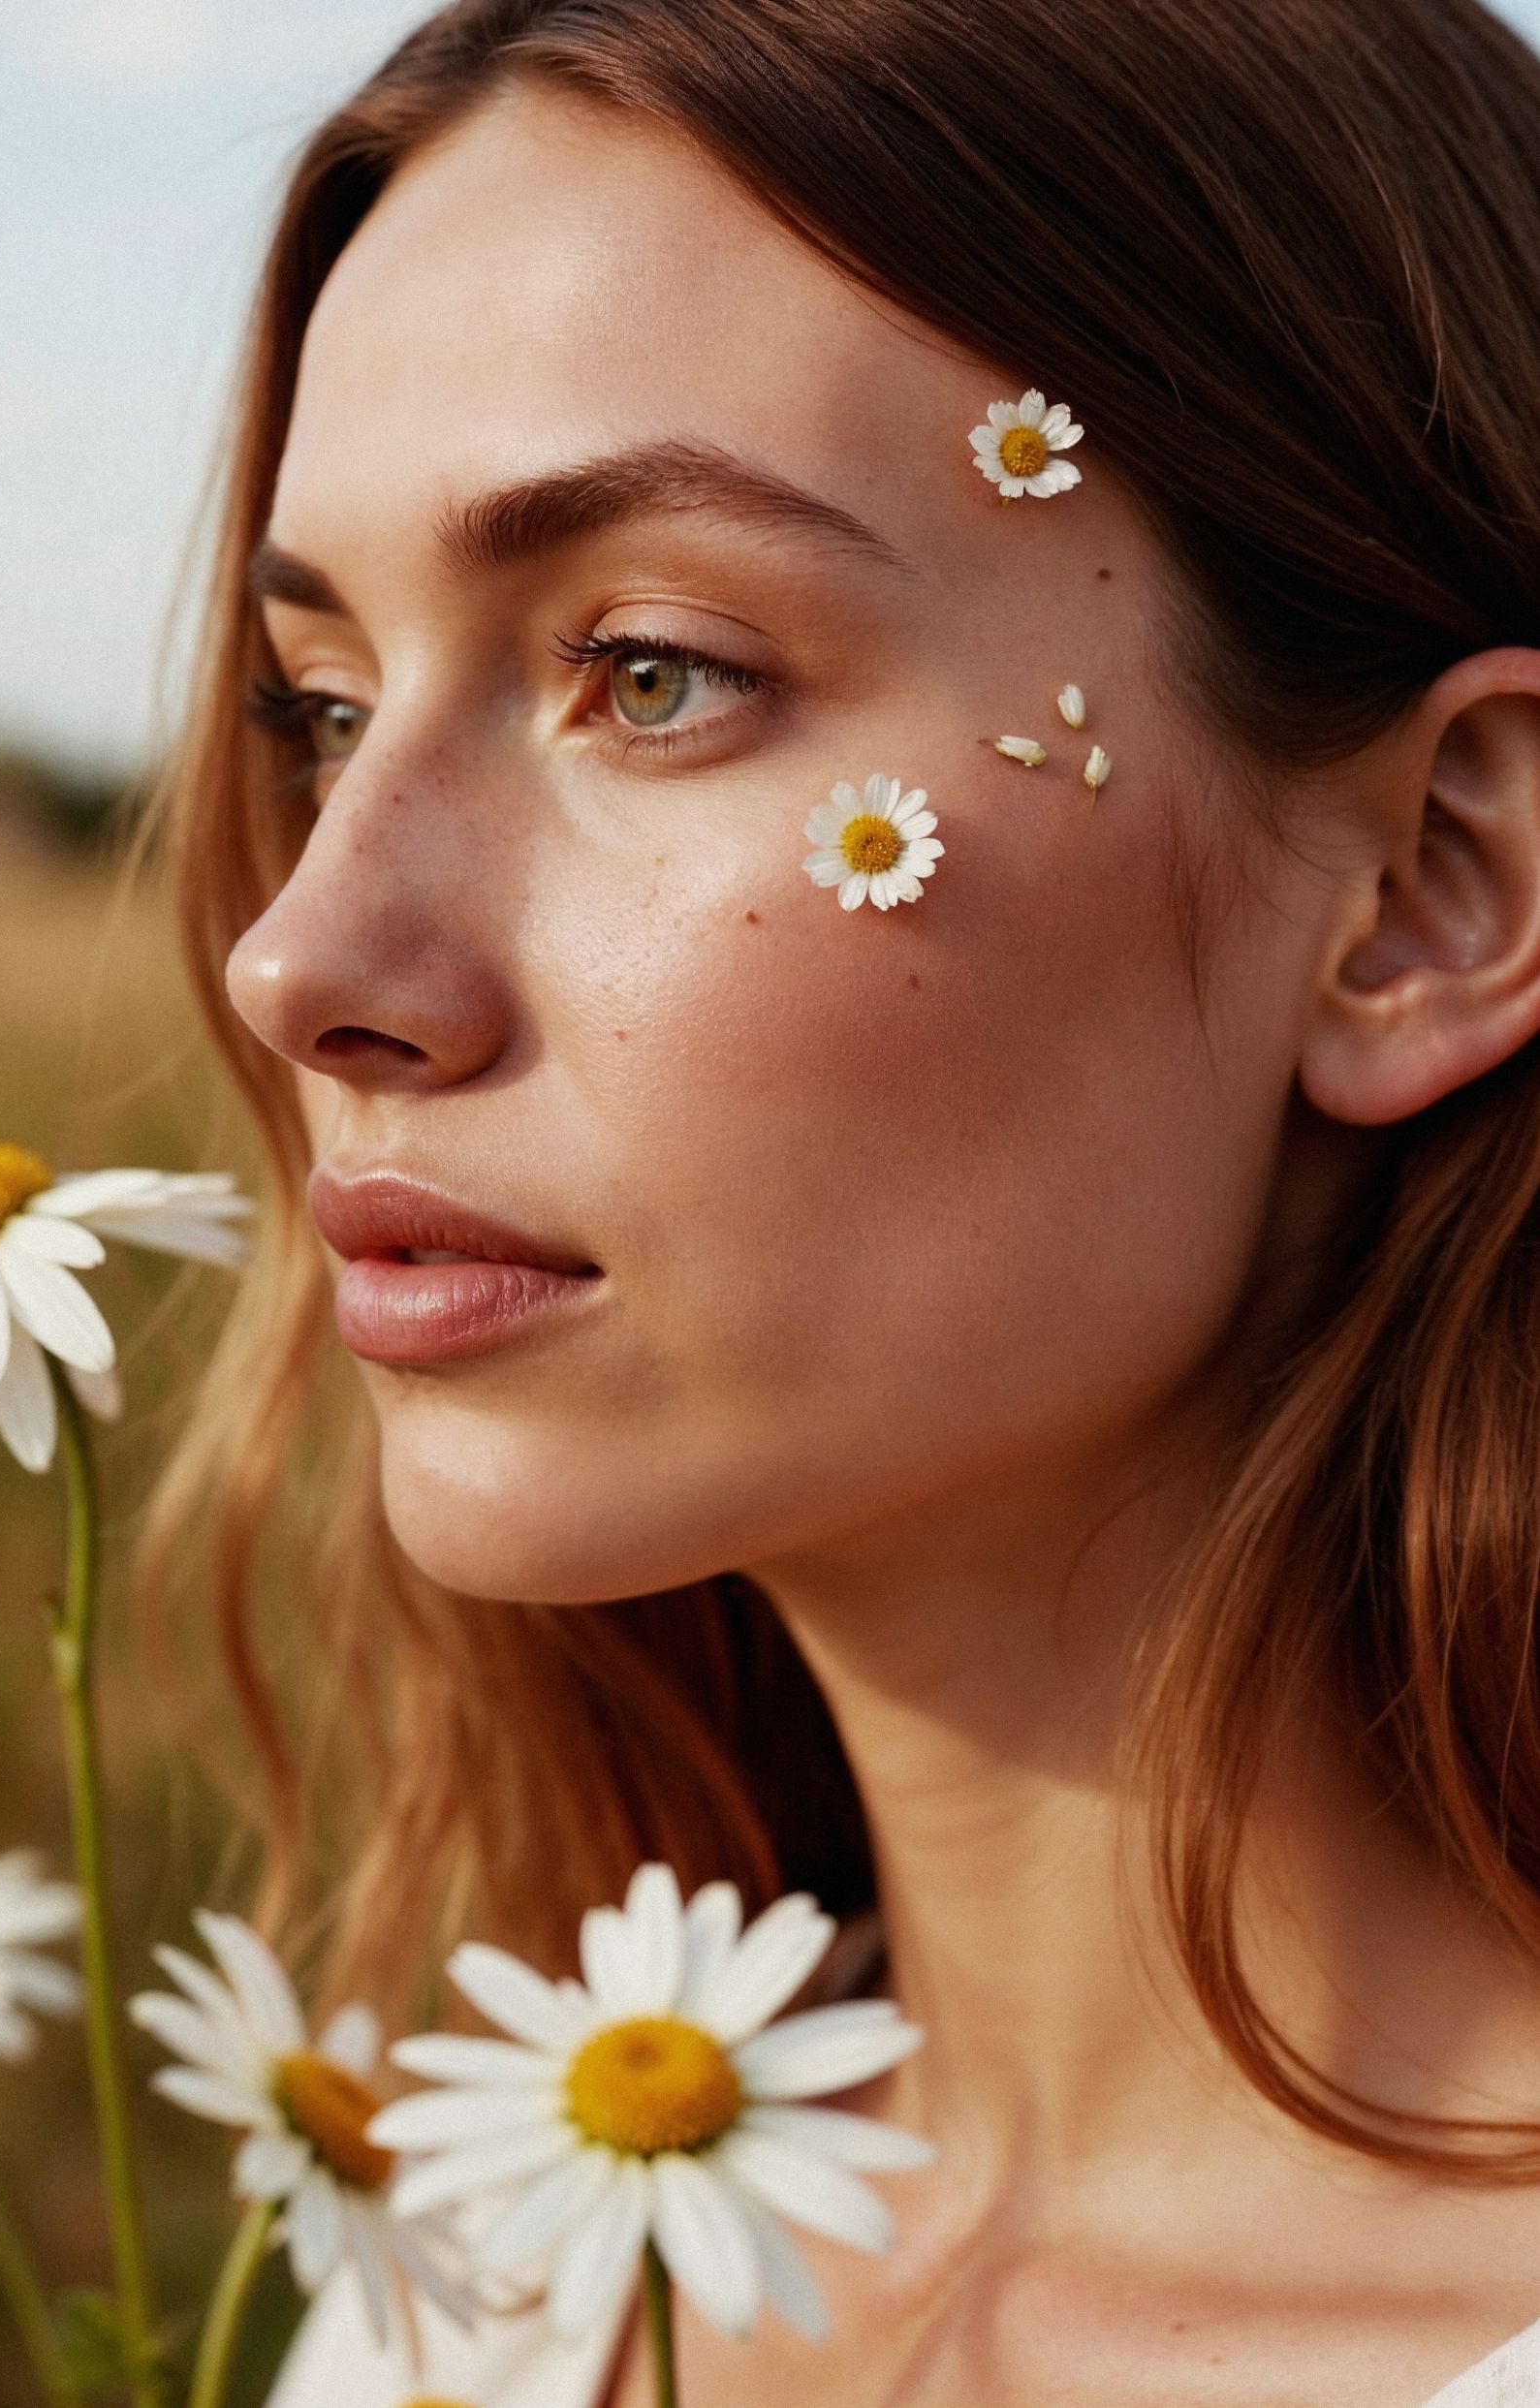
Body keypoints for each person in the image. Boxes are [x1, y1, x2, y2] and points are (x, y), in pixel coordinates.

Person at [143, 0, 1540, 2397]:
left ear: (1425, 884)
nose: (302, 958)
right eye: (326, 707)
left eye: (654, 673)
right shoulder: (477, 2302)